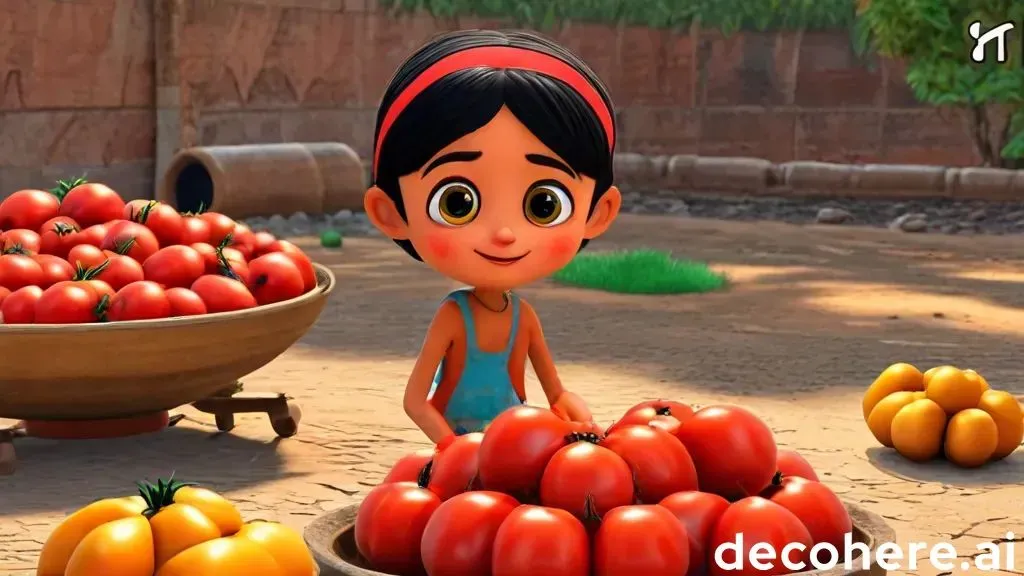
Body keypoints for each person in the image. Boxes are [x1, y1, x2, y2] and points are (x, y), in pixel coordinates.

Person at [364, 28, 621, 450]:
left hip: (514, 445)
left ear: (597, 213)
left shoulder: (525, 318)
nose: (503, 233)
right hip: (462, 448)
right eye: (457, 203)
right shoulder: (453, 316)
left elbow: (556, 394)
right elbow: (416, 401)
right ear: (391, 213)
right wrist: (451, 450)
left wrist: (573, 413)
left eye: (543, 205)